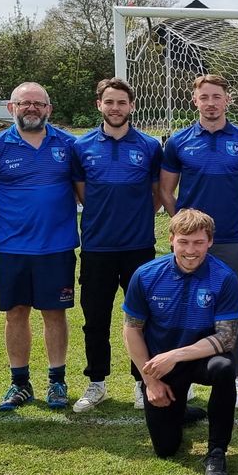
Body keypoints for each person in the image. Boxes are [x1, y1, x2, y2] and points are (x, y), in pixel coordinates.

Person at [159, 74, 238, 409]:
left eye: (216, 96)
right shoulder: (178, 142)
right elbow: (166, 190)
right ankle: (184, 374)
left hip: (231, 242)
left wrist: (231, 224)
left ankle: (233, 376)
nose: (210, 102)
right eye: (204, 97)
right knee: (184, 306)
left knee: (229, 310)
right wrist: (186, 230)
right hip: (189, 243)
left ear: (226, 100)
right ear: (195, 101)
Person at [0, 82, 80, 411]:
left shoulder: (68, 144)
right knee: (16, 313)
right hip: (12, 247)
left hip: (57, 246)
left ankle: (56, 381)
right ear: (12, 108)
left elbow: (81, 191)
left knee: (54, 313)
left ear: (49, 109)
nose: (31, 108)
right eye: (24, 103)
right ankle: (20, 383)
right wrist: (14, 215)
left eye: (38, 103)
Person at [121, 209, 238, 475]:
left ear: (210, 241)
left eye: (199, 242)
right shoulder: (146, 274)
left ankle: (216, 452)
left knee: (224, 367)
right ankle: (180, 410)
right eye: (184, 242)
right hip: (160, 366)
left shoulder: (224, 278)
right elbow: (131, 329)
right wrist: (150, 381)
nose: (191, 250)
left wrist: (176, 354)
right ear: (171, 239)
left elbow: (226, 339)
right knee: (166, 449)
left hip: (199, 358)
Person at [69, 78, 165, 413]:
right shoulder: (81, 147)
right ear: (99, 105)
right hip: (97, 248)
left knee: (143, 319)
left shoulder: (150, 146)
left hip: (138, 247)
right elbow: (83, 194)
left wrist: (134, 219)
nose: (115, 108)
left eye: (121, 102)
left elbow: (155, 194)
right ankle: (96, 383)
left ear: (131, 106)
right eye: (109, 102)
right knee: (95, 318)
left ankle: (142, 381)